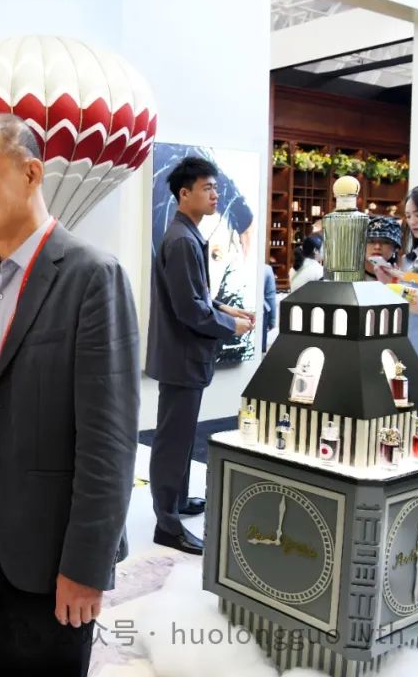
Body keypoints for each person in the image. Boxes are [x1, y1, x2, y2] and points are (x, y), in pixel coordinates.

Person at [0, 113, 139, 677]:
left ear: (31, 174)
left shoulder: (91, 276)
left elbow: (109, 440)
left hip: (52, 552)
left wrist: (87, 566)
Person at [146, 156, 253, 556]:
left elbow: (197, 296)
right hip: (182, 356)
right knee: (172, 439)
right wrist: (231, 326)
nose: (215, 195)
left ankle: (175, 502)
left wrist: (226, 309)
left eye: (215, 188)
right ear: (184, 193)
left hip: (183, 354)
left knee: (179, 434)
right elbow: (190, 309)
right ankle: (166, 523)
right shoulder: (182, 240)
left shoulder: (186, 235)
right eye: (207, 188)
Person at [377, 186, 418, 392]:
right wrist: (388, 284)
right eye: (409, 215)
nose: (413, 222)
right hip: (409, 351)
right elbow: (405, 301)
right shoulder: (411, 260)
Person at [363, 215, 402, 281]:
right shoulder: (348, 274)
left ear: (395, 247)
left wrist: (395, 283)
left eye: (385, 242)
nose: (377, 247)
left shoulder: (407, 272)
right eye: (371, 241)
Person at [262, 263, 276, 353]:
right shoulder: (266, 269)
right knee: (259, 349)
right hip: (261, 313)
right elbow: (270, 297)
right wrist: (272, 320)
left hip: (234, 312)